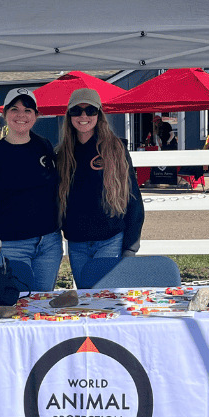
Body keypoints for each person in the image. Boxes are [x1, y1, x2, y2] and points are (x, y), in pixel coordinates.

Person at [0, 88, 62, 290]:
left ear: (36, 115)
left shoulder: (44, 146)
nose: (21, 115)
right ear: (4, 114)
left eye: (28, 110)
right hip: (10, 246)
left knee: (43, 303)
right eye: (15, 109)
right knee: (16, 306)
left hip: (49, 243)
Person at [55, 88, 145, 282]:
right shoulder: (62, 155)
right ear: (69, 115)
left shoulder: (115, 149)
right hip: (77, 242)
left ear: (99, 114)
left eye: (90, 110)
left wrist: (131, 246)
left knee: (106, 295)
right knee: (86, 298)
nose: (83, 115)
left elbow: (133, 198)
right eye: (76, 110)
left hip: (110, 239)